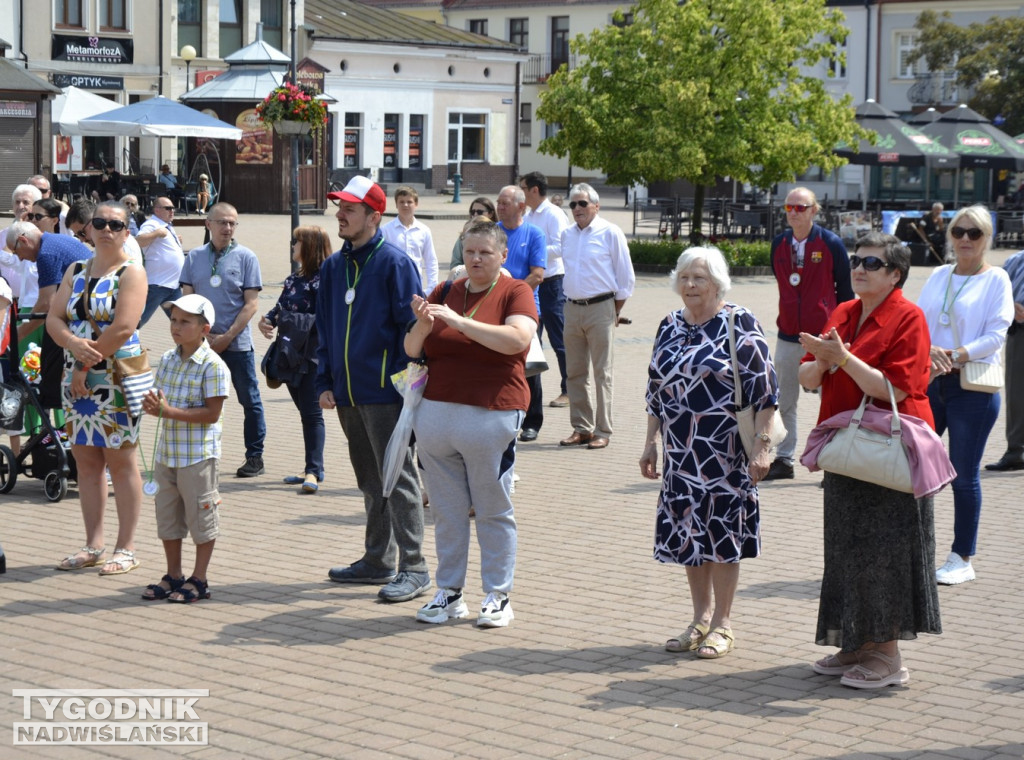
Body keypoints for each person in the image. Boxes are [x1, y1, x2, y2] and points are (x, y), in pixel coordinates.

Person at [798, 232, 941, 688]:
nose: (858, 268)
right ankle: (856, 644)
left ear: (895, 274)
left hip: (889, 450)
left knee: (887, 553)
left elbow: (894, 389)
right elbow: (805, 378)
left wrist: (843, 358)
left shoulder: (909, 317)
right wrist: (821, 362)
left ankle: (889, 657)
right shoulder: (843, 312)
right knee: (847, 549)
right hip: (847, 448)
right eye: (857, 260)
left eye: (872, 263)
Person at [639, 246, 778, 660]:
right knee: (689, 535)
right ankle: (699, 619)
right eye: (684, 277)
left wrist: (763, 448)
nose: (690, 285)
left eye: (699, 278)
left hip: (725, 452)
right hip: (682, 454)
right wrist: (650, 442)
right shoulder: (668, 325)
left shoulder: (739, 323)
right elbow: (655, 391)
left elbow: (767, 393)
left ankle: (723, 623)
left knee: (721, 536)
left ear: (718, 283)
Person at [406, 219, 538, 627]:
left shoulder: (515, 291)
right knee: (447, 512)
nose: (475, 259)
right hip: (437, 416)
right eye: (469, 251)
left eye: (484, 252)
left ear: (502, 255)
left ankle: (498, 595)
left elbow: (517, 340)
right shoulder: (446, 290)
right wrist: (425, 325)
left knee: (492, 509)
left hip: (492, 413)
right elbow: (412, 350)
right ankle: (448, 593)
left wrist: (460, 323)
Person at [317, 176, 430, 603]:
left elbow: (415, 331)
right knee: (369, 478)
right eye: (339, 208)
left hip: (387, 394)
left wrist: (406, 390)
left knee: (397, 478)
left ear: (373, 216)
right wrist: (325, 382)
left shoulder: (396, 264)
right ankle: (377, 559)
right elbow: (326, 329)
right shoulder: (332, 266)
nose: (340, 215)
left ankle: (415, 567)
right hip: (347, 391)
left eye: (349, 208)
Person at [45, 201, 147, 575]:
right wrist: (72, 346)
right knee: (86, 462)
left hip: (114, 376)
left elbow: (123, 328)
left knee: (121, 461)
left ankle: (127, 547)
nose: (106, 229)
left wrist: (84, 365)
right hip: (78, 376)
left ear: (126, 232)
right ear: (87, 229)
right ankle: (94, 544)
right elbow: (55, 318)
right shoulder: (76, 270)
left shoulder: (132, 273)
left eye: (115, 224)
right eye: (99, 222)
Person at [916, 205, 1013, 585]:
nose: (966, 240)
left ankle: (962, 557)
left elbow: (996, 335)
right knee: (914, 466)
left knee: (962, 475)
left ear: (988, 238)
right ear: (950, 234)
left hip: (971, 386)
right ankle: (913, 550)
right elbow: (919, 323)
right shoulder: (940, 274)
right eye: (959, 231)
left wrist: (954, 354)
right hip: (930, 382)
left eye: (975, 233)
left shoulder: (997, 280)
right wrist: (928, 351)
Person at [140, 294, 230, 604]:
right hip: (167, 453)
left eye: (185, 322)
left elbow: (212, 414)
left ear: (205, 328)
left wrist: (167, 412)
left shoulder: (213, 365)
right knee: (168, 517)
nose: (176, 327)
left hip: (197, 457)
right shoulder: (167, 358)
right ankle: (173, 574)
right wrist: (148, 403)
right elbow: (159, 398)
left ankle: (200, 579)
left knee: (201, 518)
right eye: (174, 320)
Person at [764, 187, 853, 481]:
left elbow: (846, 292)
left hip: (825, 336)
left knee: (832, 400)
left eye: (800, 208)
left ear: (814, 210)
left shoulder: (831, 243)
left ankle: (834, 463)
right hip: (789, 334)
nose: (793, 212)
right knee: (784, 399)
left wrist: (838, 331)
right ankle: (784, 459)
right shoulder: (779, 244)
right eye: (788, 207)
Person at [179, 203, 267, 479]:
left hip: (237, 345)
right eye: (222, 223)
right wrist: (204, 335)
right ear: (208, 224)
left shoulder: (246, 257)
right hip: (202, 344)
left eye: (232, 223)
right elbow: (187, 301)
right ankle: (193, 454)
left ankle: (255, 456)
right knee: (195, 399)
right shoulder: (193, 258)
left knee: (249, 400)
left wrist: (227, 336)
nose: (227, 228)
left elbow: (251, 304)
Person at [558, 183, 635, 450]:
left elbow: (626, 278)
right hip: (571, 307)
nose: (577, 209)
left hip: (602, 307)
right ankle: (582, 428)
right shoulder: (567, 234)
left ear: (596, 206)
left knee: (603, 372)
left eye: (582, 204)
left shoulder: (610, 232)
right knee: (575, 372)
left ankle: (603, 430)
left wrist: (614, 311)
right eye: (573, 204)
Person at [258, 226, 330, 494]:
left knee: (312, 413)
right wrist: (266, 321)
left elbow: (328, 316)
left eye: (296, 241)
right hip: (290, 354)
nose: (292, 245)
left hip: (312, 355)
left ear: (309, 246)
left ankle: (314, 470)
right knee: (305, 413)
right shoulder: (294, 278)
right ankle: (311, 466)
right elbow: (280, 307)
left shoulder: (324, 278)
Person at [495, 185, 546, 441]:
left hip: (525, 309)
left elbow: (538, 274)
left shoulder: (534, 233)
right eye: (499, 202)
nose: (500, 207)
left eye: (505, 203)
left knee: (529, 367)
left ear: (521, 207)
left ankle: (532, 420)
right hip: (494, 308)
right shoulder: (493, 233)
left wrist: (511, 296)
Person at [522, 171, 571, 408]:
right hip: (531, 283)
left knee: (558, 338)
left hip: (551, 282)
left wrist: (536, 250)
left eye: (523, 188)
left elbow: (562, 246)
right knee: (532, 339)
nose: (522, 193)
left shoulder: (553, 214)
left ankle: (569, 389)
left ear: (534, 189)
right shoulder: (528, 214)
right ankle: (531, 394)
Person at [986, 247, 1024, 472]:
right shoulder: (1015, 260)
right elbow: (995, 292)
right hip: (1019, 333)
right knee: (1017, 393)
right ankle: (1016, 450)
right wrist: (1011, 307)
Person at [135, 197, 185, 326]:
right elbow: (138, 241)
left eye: (173, 208)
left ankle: (187, 345)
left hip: (173, 286)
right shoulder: (152, 224)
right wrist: (156, 233)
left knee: (181, 321)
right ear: (157, 210)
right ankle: (121, 342)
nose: (172, 211)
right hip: (157, 285)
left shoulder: (166, 225)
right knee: (138, 320)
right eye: (168, 208)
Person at [381, 186, 438, 292]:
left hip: (415, 286)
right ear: (396, 204)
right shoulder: (386, 230)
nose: (405, 205)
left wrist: (432, 287)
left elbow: (431, 260)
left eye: (409, 202)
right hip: (391, 285)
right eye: (401, 202)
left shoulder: (424, 231)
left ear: (416, 204)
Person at [450, 197, 497, 270]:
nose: (475, 214)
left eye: (479, 212)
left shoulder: (499, 234)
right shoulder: (464, 236)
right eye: (472, 212)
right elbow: (455, 264)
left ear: (491, 214)